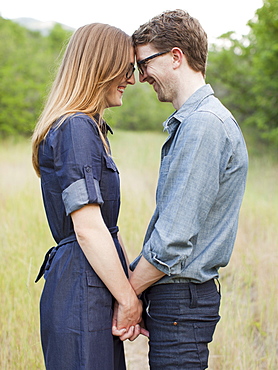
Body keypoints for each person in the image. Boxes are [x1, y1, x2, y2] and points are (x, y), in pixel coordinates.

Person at [117, 9, 248, 369]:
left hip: (182, 301)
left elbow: (173, 239)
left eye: (144, 64)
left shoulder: (203, 125)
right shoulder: (197, 122)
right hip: (177, 301)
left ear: (176, 57)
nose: (141, 77)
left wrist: (127, 294)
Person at [31, 23, 143, 370]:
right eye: (126, 68)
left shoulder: (88, 127)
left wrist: (129, 289)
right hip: (80, 287)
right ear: (100, 66)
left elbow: (108, 226)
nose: (132, 79)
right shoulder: (75, 127)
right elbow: (89, 228)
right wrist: (127, 299)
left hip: (91, 281)